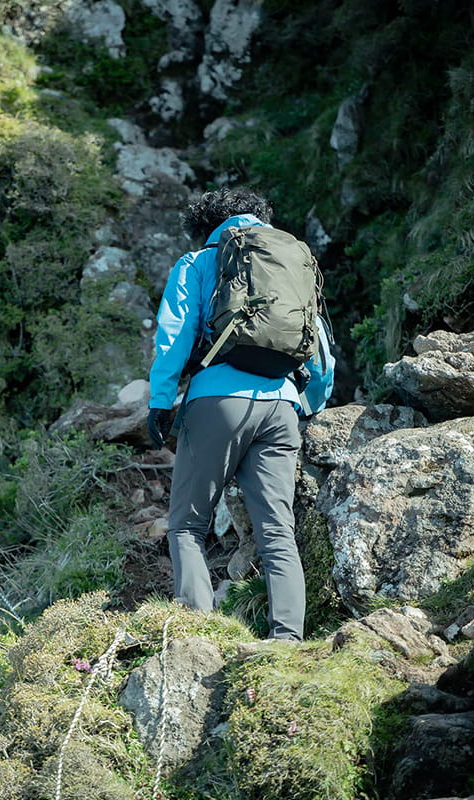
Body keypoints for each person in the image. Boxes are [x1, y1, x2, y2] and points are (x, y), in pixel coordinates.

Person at [147, 187, 335, 642]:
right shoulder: (294, 262)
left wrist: (160, 400)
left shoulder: (198, 263)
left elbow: (174, 335)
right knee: (277, 530)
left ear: (205, 226)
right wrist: (309, 404)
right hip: (282, 405)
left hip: (217, 402)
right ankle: (287, 637)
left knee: (188, 525)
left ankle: (199, 636)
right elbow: (320, 348)